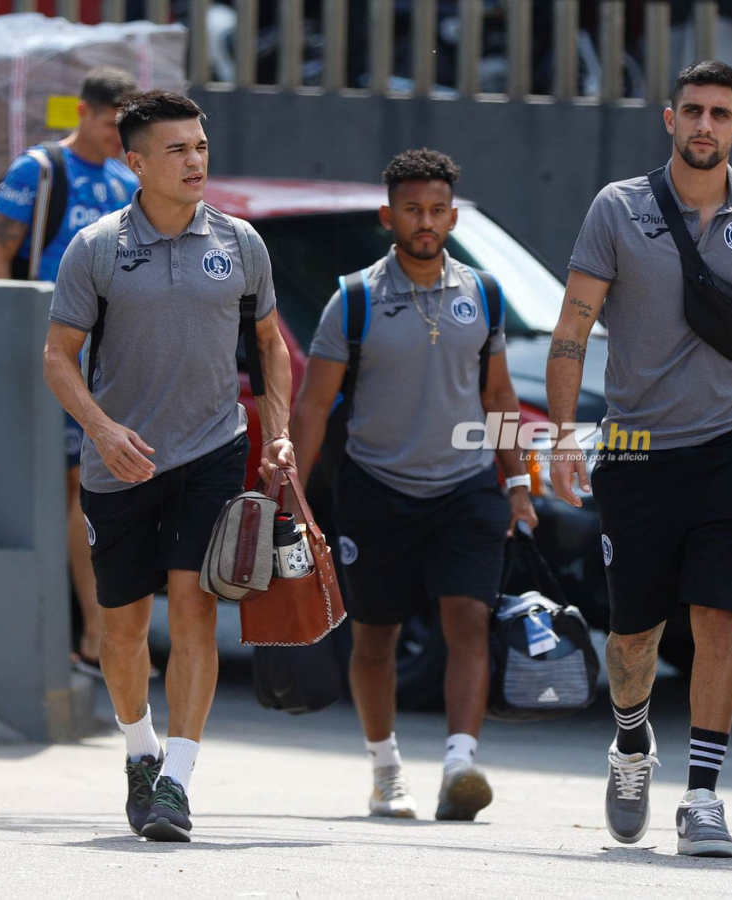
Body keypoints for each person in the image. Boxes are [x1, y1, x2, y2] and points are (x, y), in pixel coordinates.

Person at [546, 61, 732, 858]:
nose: (705, 125)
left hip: (731, 450)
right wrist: (563, 437)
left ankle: (704, 797)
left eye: (720, 114)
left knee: (720, 619)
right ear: (670, 121)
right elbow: (574, 327)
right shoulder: (619, 208)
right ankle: (631, 745)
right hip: (638, 452)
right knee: (633, 636)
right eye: (693, 112)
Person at [42, 90, 294, 842]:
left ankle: (177, 781)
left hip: (212, 453)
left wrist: (275, 434)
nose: (194, 162)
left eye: (200, 148)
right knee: (122, 632)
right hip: (121, 463)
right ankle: (141, 751)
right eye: (177, 150)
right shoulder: (95, 248)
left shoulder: (242, 243)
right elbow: (58, 356)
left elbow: (272, 343)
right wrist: (101, 427)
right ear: (137, 163)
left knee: (194, 607)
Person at [288, 149, 537, 822]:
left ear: (452, 215)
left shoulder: (481, 294)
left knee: (469, 619)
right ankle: (385, 768)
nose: (424, 223)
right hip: (376, 488)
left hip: (465, 487)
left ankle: (461, 765)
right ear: (387, 216)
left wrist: (517, 481)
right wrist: (293, 491)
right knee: (375, 639)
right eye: (411, 210)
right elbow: (312, 405)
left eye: (435, 211)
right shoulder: (356, 299)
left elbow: (500, 394)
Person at [0, 66, 141, 676]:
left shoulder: (126, 177)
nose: (114, 136)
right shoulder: (39, 171)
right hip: (49, 350)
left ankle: (93, 633)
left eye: (124, 127)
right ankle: (92, 634)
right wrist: (11, 336)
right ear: (82, 112)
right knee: (75, 484)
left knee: (88, 485)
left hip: (104, 356)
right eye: (108, 123)